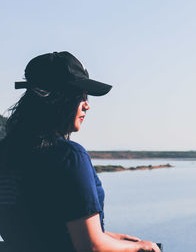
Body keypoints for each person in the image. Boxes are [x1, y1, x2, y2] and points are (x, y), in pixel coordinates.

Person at [0, 52, 161, 252]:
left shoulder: (6, 152)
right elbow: (91, 247)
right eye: (81, 97)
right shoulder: (69, 156)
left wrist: (107, 237)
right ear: (60, 99)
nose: (87, 105)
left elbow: (45, 228)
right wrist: (140, 247)